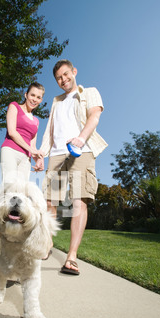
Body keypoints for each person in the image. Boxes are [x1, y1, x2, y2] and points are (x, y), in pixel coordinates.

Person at [34, 60, 108, 275]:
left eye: (66, 74)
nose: (63, 79)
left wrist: (81, 138)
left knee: (78, 201)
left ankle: (71, 256)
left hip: (81, 151)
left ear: (74, 72)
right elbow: (50, 131)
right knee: (49, 201)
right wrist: (41, 155)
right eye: (59, 77)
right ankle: (47, 245)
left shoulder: (89, 92)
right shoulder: (56, 101)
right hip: (56, 154)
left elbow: (94, 115)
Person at [0, 82, 45, 183]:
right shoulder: (14, 106)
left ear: (41, 100)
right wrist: (31, 150)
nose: (34, 99)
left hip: (26, 158)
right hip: (10, 151)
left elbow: (33, 147)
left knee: (21, 192)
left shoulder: (36, 121)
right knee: (9, 186)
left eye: (38, 97)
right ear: (26, 95)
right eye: (32, 95)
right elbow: (12, 132)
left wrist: (38, 160)